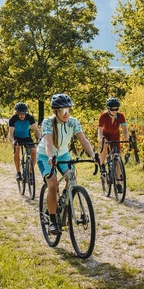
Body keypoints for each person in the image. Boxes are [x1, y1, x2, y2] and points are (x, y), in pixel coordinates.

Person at [38, 93, 100, 235]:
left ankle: (64, 202)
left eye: (68, 110)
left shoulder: (73, 122)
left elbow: (83, 140)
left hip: (63, 154)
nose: (66, 114)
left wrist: (93, 154)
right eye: (63, 111)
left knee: (72, 179)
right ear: (55, 111)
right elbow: (48, 142)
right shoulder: (48, 122)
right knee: (53, 183)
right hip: (45, 155)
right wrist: (50, 156)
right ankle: (53, 220)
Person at [97, 97, 129, 194]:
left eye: (116, 109)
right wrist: (101, 138)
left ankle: (119, 183)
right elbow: (100, 130)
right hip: (104, 135)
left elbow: (124, 129)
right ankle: (102, 164)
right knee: (105, 144)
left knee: (117, 158)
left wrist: (127, 138)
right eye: (112, 109)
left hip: (115, 136)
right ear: (108, 108)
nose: (115, 111)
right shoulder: (103, 116)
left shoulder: (121, 116)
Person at [8, 102, 42, 180]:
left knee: (33, 151)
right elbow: (10, 134)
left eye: (24, 113)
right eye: (20, 114)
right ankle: (18, 172)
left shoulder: (29, 117)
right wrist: (13, 141)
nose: (22, 115)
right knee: (17, 149)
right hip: (17, 138)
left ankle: (30, 173)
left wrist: (39, 138)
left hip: (27, 137)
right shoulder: (13, 119)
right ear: (16, 113)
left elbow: (36, 130)